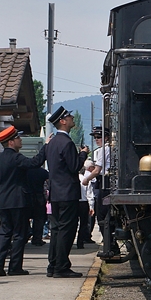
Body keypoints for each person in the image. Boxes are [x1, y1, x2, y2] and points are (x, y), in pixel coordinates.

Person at [33, 106, 87, 278]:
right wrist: (83, 155)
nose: (72, 118)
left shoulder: (52, 143)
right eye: (69, 116)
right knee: (67, 229)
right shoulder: (67, 143)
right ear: (62, 121)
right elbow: (74, 167)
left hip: (55, 192)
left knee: (56, 229)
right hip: (68, 192)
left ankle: (53, 264)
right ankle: (62, 266)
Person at [0, 126, 45, 276]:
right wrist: (46, 147)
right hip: (19, 201)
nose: (21, 140)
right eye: (18, 138)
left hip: (4, 201)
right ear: (11, 142)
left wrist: (0, 197)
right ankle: (14, 267)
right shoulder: (16, 158)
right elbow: (34, 163)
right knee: (20, 233)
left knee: (5, 232)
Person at [81, 126, 122, 261]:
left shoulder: (104, 150)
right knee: (106, 215)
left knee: (102, 216)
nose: (96, 140)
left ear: (106, 137)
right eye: (95, 137)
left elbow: (97, 170)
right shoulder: (109, 149)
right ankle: (111, 244)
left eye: (99, 137)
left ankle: (110, 245)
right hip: (107, 182)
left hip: (104, 183)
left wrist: (86, 179)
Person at [25, 166, 49, 245]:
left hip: (26, 196)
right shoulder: (43, 172)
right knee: (39, 219)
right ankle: (37, 239)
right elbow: (49, 182)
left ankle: (26, 233)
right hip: (39, 197)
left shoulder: (25, 171)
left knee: (24, 218)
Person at [77, 159, 95, 249]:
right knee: (83, 224)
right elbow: (90, 194)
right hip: (84, 202)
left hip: (73, 202)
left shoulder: (70, 179)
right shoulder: (84, 179)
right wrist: (91, 206)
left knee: (72, 223)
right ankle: (80, 242)